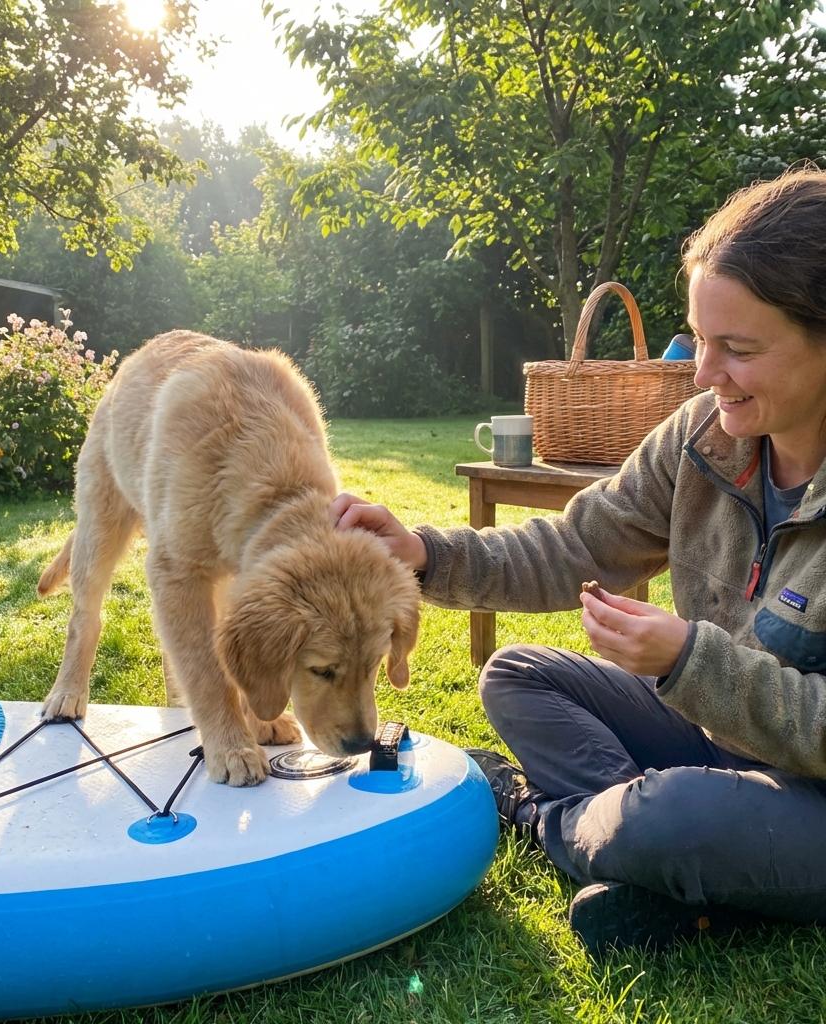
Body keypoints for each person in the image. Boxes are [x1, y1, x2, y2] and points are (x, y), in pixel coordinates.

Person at [330, 168, 826, 957]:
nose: (701, 375)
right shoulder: (703, 435)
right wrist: (426, 553)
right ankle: (656, 861)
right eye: (700, 339)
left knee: (671, 818)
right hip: (710, 740)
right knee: (518, 673)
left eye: (738, 348)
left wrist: (690, 662)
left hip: (812, 795)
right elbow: (573, 547)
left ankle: (545, 820)